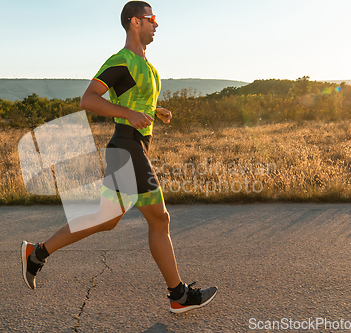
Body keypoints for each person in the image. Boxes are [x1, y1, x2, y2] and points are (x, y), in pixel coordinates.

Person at [21, 0, 217, 313]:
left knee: (106, 220)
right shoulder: (122, 60)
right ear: (135, 22)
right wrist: (128, 114)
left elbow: (132, 100)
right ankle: (178, 295)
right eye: (152, 18)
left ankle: (38, 252)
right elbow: (88, 99)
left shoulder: (147, 66)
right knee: (160, 218)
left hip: (128, 148)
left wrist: (155, 110)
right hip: (127, 148)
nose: (157, 24)